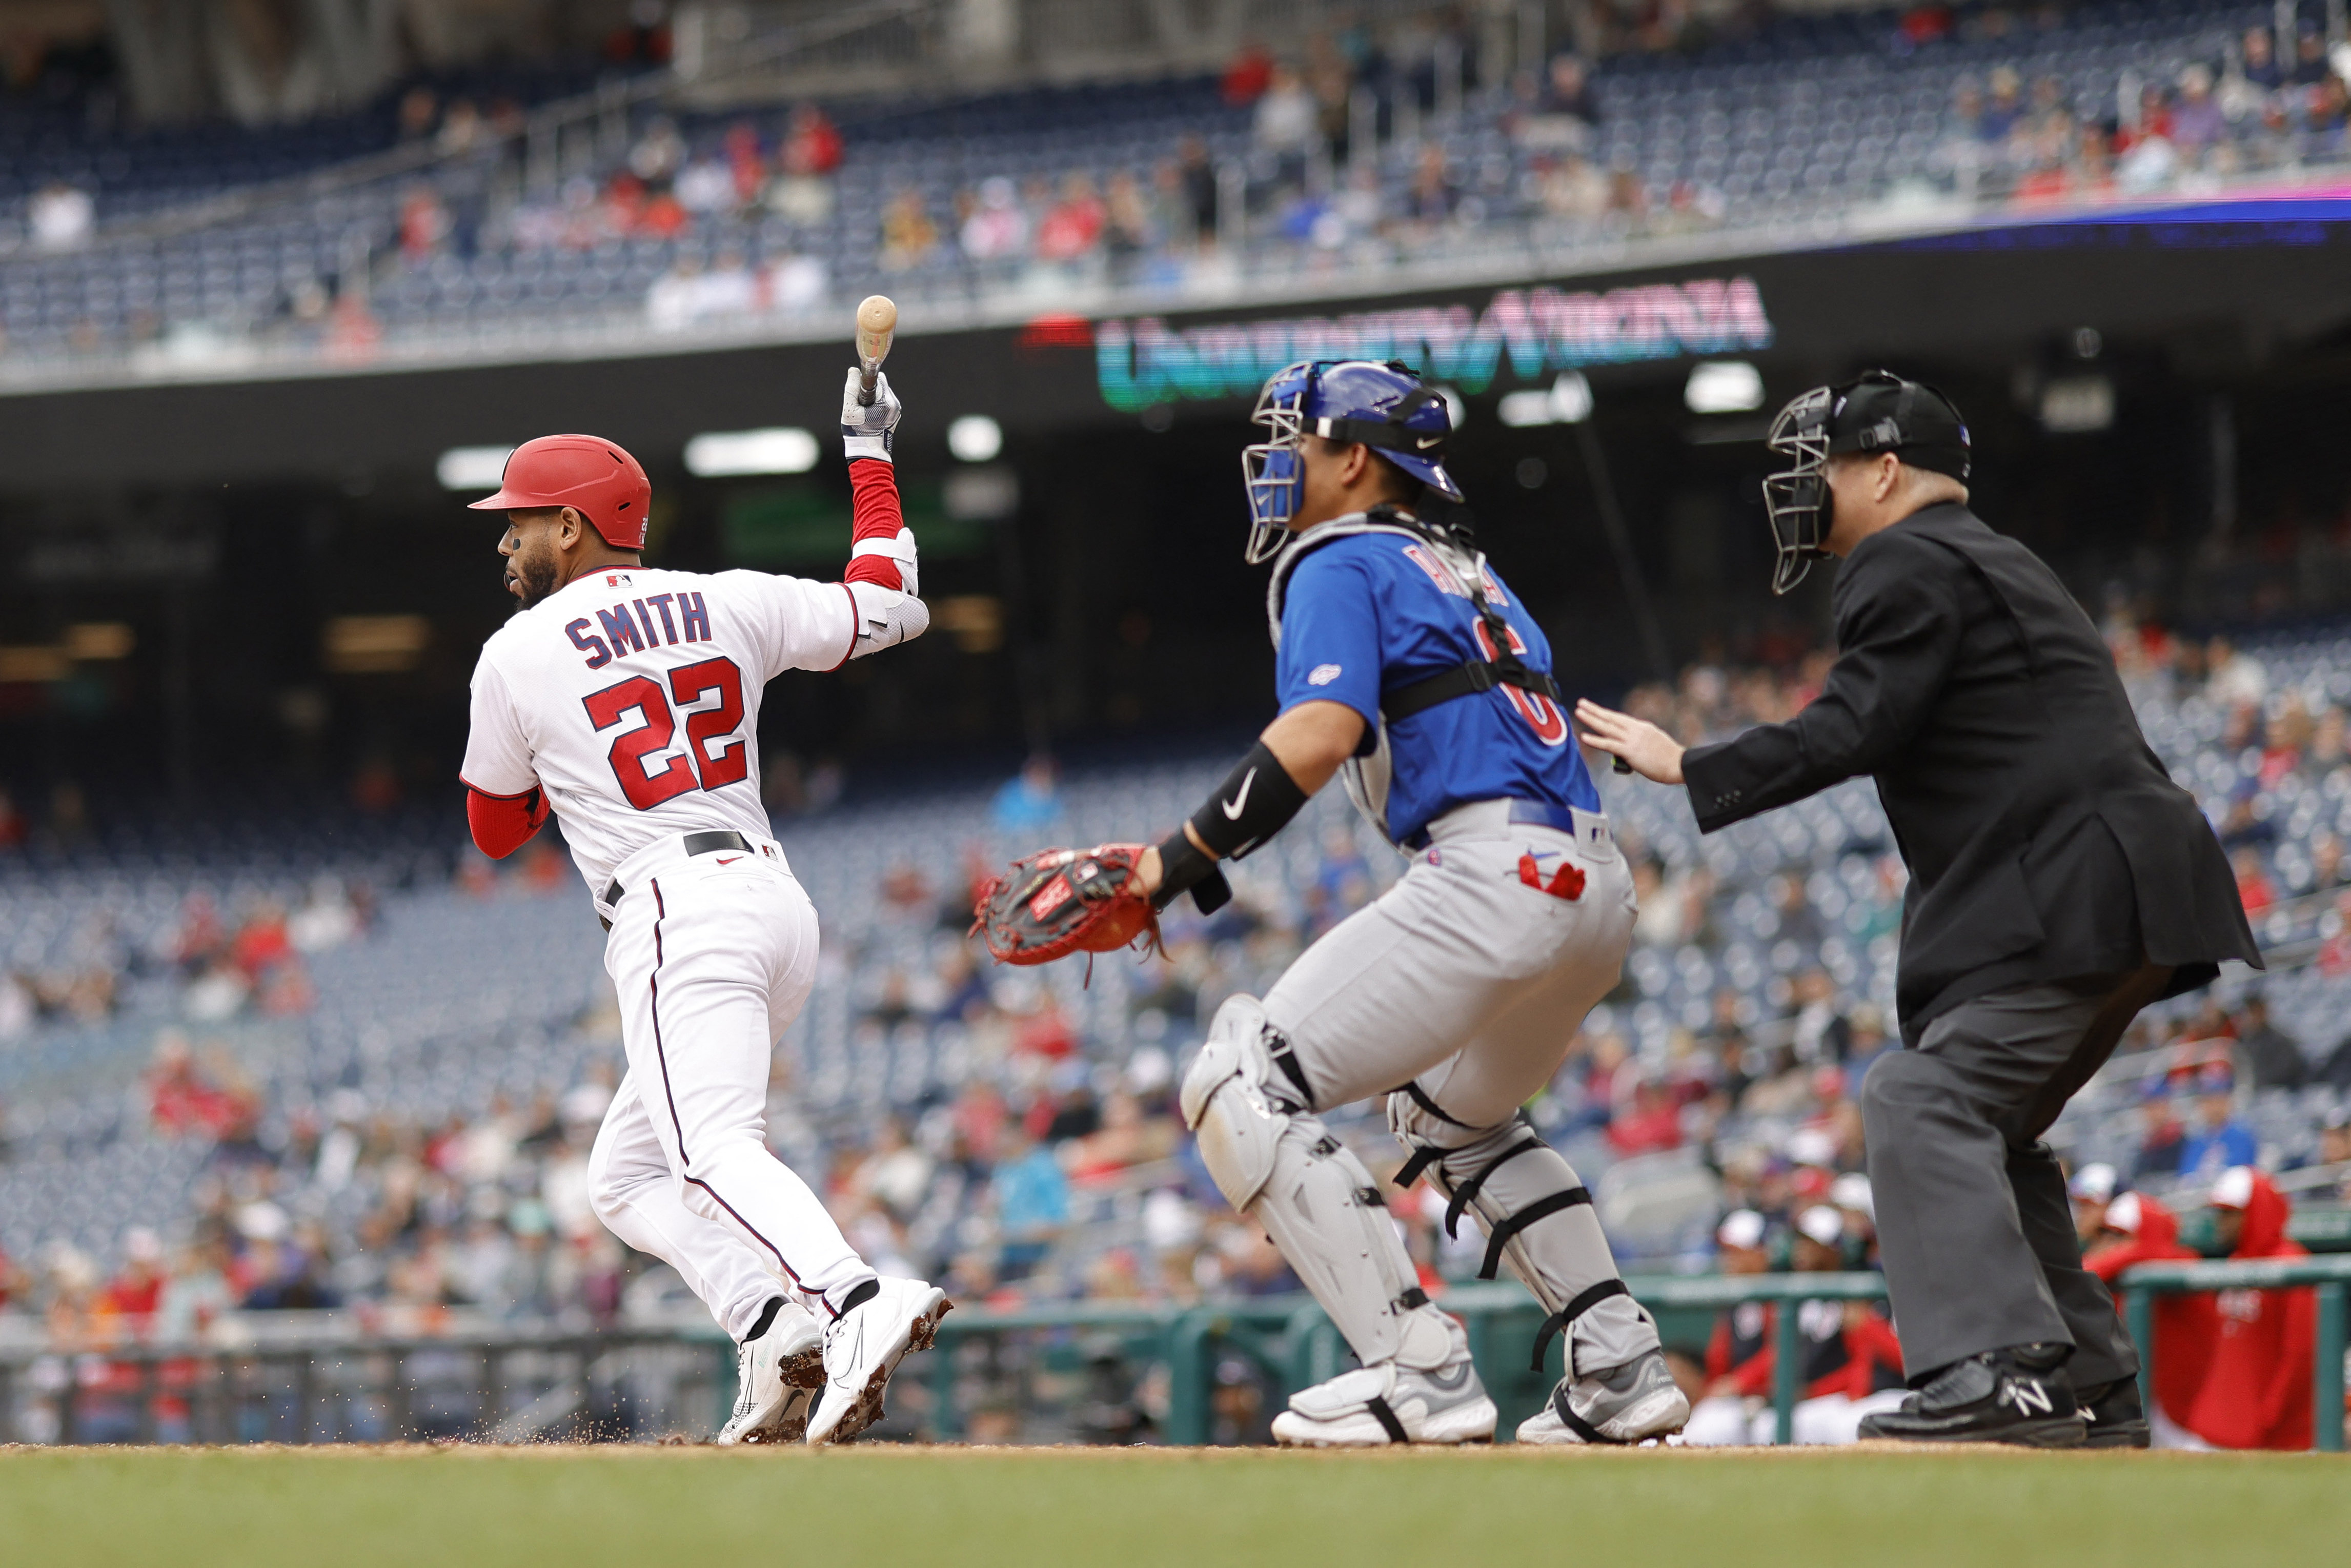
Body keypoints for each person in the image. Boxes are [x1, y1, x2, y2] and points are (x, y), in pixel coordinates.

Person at [1578, 371, 2260, 1448]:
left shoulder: (1905, 553)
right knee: (1991, 1124)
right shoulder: (1982, 551)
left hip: (2075, 881)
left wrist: (1691, 762)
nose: (1805, 488)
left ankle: (1998, 1369)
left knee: (1915, 1095)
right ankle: (2085, 1385)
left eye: (1825, 467)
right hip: (2113, 879)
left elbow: (1857, 722)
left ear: (1885, 470)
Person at [1096, 359, 1681, 1447]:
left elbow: (1318, 735)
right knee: (1449, 1116)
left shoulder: (1339, 553)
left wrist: (1171, 860)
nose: (1276, 466)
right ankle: (1618, 1363)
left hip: (1493, 874)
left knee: (1237, 1075)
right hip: (1594, 881)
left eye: (1293, 444)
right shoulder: (1469, 567)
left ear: (1353, 458)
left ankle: (1416, 1368)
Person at [456, 373, 946, 1447]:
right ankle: (773, 1326)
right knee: (624, 1173)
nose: (504, 541)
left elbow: (495, 829)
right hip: (772, 897)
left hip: (675, 910)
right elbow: (891, 605)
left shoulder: (518, 652)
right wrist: (868, 453)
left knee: (711, 1144)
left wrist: (557, 757)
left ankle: (855, 1298)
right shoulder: (732, 597)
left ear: (573, 526)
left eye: (519, 520)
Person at [2179, 1167, 2315, 1450]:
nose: (2221, 1222)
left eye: (2230, 1213)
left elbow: (2302, 1352)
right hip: (2221, 1423)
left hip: (2278, 1433)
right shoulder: (2234, 1264)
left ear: (2257, 1211)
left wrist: (2270, 1414)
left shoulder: (2293, 1263)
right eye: (2219, 1214)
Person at [2083, 1190, 2216, 1447]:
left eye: (2121, 1235)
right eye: (2106, 1234)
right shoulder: (2120, 1271)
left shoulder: (2180, 1262)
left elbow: (2159, 1252)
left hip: (2194, 1415)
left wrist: (2126, 1254)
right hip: (2153, 1405)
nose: (2110, 1243)